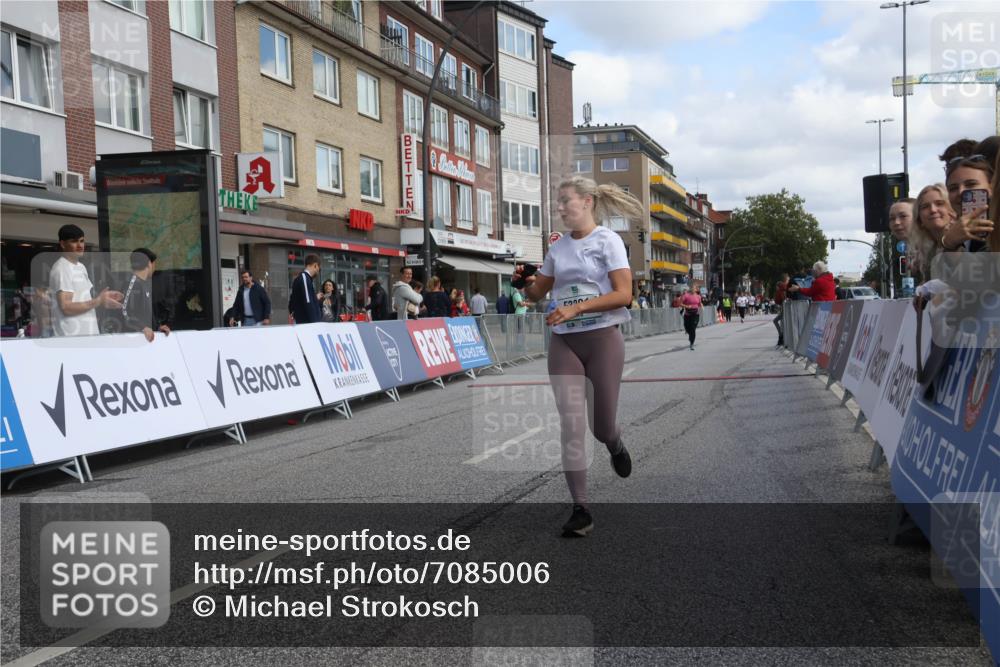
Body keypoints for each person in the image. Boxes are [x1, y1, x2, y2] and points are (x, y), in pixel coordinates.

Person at [513, 176, 641, 537]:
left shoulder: (608, 241)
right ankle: (581, 509)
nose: (559, 208)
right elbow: (538, 292)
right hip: (564, 342)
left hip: (602, 339)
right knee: (571, 424)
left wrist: (577, 308)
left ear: (586, 202)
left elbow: (624, 294)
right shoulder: (558, 248)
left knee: (600, 427)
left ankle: (615, 443)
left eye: (565, 201)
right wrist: (524, 281)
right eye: (558, 202)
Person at [49, 224, 123, 337]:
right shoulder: (62, 268)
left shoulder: (81, 266)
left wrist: (104, 299)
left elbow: (83, 299)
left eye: (82, 241)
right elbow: (66, 307)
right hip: (71, 341)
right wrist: (98, 301)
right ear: (63, 244)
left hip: (87, 337)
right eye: (74, 241)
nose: (80, 245)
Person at [120, 248, 171, 342]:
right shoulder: (132, 284)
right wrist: (143, 328)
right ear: (148, 263)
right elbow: (124, 311)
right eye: (154, 264)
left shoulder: (144, 284)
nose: (154, 268)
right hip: (134, 343)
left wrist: (157, 328)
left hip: (146, 342)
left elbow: (144, 315)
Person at [288, 254, 322, 324]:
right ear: (315, 265)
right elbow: (308, 301)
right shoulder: (304, 278)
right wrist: (315, 323)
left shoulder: (305, 278)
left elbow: (293, 299)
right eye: (319, 267)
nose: (318, 270)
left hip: (305, 322)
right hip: (307, 323)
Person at [679, 284, 702, 350]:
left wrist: (702, 306)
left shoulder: (698, 296)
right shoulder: (686, 295)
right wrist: (687, 306)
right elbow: (680, 303)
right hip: (687, 314)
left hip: (695, 314)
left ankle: (691, 343)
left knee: (693, 329)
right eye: (691, 288)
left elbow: (699, 303)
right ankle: (690, 335)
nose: (693, 289)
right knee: (687, 328)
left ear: (696, 289)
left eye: (694, 288)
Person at [773, 274, 789, 346]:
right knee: (783, 323)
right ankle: (782, 336)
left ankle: (781, 336)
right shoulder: (786, 290)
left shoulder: (780, 292)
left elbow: (777, 301)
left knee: (776, 321)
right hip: (786, 309)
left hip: (785, 310)